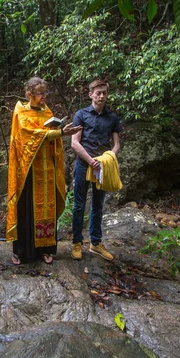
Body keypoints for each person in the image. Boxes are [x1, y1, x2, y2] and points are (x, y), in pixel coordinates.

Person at [6, 77, 82, 265]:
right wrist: (60, 132)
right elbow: (29, 136)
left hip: (47, 169)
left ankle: (45, 249)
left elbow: (50, 137)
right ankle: (21, 251)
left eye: (45, 93)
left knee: (47, 209)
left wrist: (59, 131)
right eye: (40, 94)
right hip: (28, 171)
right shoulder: (20, 112)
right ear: (29, 94)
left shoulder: (47, 111)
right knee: (26, 208)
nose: (44, 97)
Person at [70, 79, 121, 261]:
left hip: (102, 166)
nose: (101, 96)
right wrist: (91, 161)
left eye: (104, 93)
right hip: (84, 164)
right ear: (90, 94)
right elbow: (75, 142)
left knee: (98, 205)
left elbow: (116, 145)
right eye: (98, 93)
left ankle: (96, 242)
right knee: (79, 205)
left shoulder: (112, 118)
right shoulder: (81, 115)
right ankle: (77, 242)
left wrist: (107, 159)